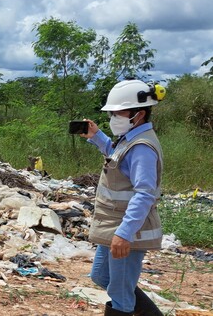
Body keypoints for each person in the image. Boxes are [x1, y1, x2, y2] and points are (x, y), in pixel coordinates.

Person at [81, 79, 166, 316]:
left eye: (118, 113)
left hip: (127, 229)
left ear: (138, 114)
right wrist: (97, 136)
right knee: (101, 276)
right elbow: (116, 157)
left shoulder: (142, 147)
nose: (113, 118)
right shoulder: (128, 139)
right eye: (112, 113)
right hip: (113, 224)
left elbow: (145, 193)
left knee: (120, 294)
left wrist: (124, 233)